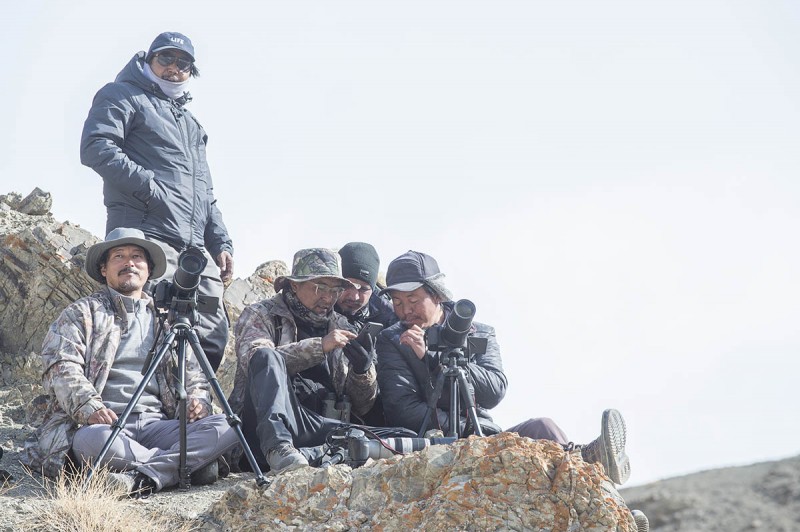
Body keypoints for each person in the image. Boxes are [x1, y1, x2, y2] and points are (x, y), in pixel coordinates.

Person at [375, 250, 631, 485]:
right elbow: (404, 410)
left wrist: (435, 358)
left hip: (487, 437)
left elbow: (494, 391)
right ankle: (589, 458)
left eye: (413, 300)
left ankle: (594, 470)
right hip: (435, 445)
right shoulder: (392, 340)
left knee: (542, 427)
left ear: (437, 294)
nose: (405, 311)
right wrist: (469, 431)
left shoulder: (478, 332)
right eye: (397, 302)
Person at [21, 228, 238, 496]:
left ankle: (141, 478)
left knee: (226, 426)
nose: (129, 263)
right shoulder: (81, 313)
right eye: (119, 256)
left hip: (158, 426)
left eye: (137, 257)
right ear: (104, 269)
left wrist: (198, 401)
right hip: (103, 425)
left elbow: (194, 373)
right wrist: (89, 406)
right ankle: (184, 466)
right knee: (94, 441)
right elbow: (60, 366)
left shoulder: (168, 319)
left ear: (149, 269)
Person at [80, 31, 233, 371]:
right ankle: (146, 400)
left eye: (184, 63)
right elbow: (96, 147)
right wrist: (152, 188)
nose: (174, 68)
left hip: (194, 248)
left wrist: (221, 242)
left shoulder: (192, 125)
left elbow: (204, 192)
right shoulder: (122, 94)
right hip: (146, 237)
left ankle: (193, 401)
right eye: (166, 58)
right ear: (149, 60)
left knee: (211, 333)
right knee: (150, 328)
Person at [229, 248, 379, 473]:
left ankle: (313, 454)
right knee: (266, 356)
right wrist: (319, 346)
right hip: (267, 427)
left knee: (395, 437)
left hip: (321, 427)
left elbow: (362, 406)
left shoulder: (342, 325)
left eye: (335, 290)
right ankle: (279, 449)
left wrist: (362, 371)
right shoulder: (261, 314)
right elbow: (256, 359)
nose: (328, 298)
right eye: (320, 287)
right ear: (294, 285)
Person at [335, 242, 397, 329]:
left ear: (372, 290)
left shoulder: (389, 318)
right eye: (348, 286)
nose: (354, 297)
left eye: (363, 289)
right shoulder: (317, 305)